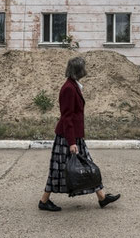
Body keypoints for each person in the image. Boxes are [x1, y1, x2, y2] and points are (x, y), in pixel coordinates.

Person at [39, 56, 121, 211]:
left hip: (74, 136)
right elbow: (67, 117)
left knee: (87, 164)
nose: (86, 70)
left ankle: (102, 197)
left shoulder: (74, 86)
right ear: (78, 70)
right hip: (67, 137)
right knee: (58, 170)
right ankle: (44, 201)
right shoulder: (69, 88)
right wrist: (71, 142)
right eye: (83, 67)